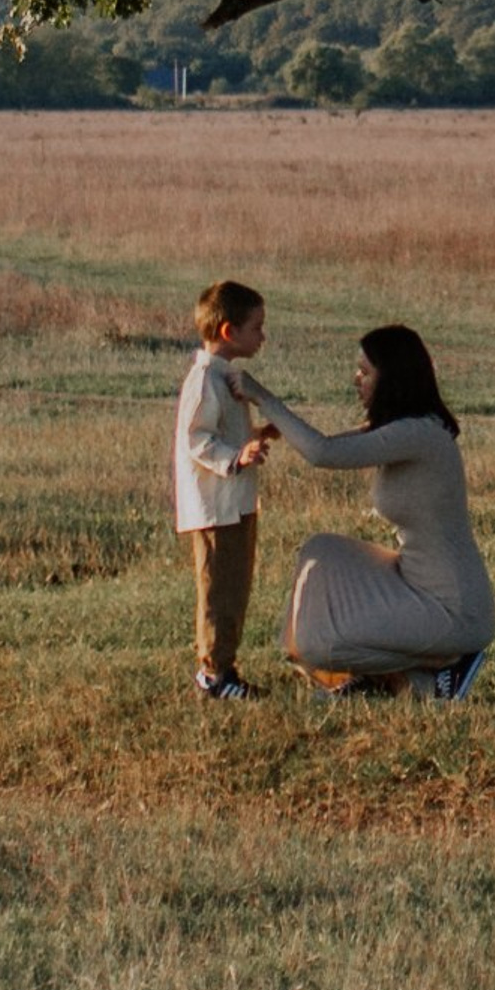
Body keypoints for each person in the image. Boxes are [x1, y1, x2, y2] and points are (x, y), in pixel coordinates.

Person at [236, 324, 495, 703]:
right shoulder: (401, 429)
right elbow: (326, 443)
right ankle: (395, 678)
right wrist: (274, 430)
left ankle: (445, 669)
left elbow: (324, 454)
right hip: (413, 581)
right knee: (321, 551)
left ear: (391, 378)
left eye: (365, 372)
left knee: (317, 645)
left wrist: (260, 395)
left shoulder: (420, 434)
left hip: (454, 608)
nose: (356, 380)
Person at [173, 279, 275, 701]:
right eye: (256, 328)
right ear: (229, 331)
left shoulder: (227, 378)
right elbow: (196, 439)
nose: (262, 336)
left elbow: (227, 431)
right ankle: (213, 675)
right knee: (218, 589)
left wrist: (254, 436)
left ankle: (226, 667)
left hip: (236, 504)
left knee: (236, 586)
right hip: (215, 508)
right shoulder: (203, 380)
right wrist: (236, 457)